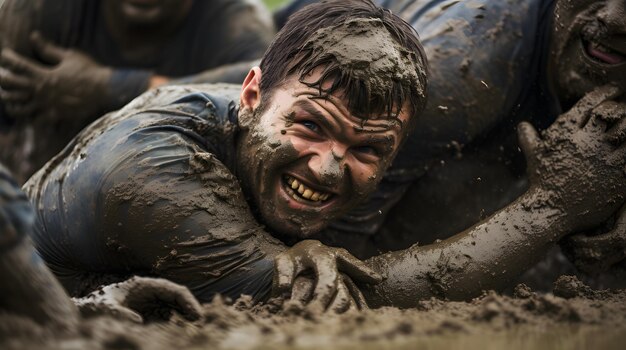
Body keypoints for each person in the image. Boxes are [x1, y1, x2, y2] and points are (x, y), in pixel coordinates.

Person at [23, 0, 626, 313]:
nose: (327, 166)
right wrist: (551, 208)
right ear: (252, 95)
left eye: (368, 150)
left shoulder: (260, 111)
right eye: (310, 126)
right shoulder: (151, 175)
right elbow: (337, 304)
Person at [274, 0, 626, 280]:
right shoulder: (464, 72)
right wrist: (555, 206)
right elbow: (320, 263)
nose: (614, 19)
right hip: (291, 43)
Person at [0, 0, 274, 183]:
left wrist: (113, 87)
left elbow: (269, 83)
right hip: (38, 186)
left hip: (169, 190)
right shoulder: (37, 10)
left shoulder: (237, 19)